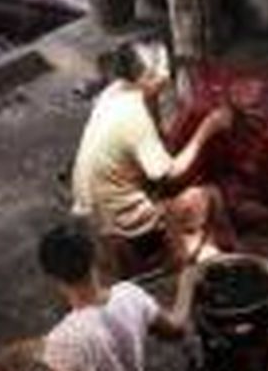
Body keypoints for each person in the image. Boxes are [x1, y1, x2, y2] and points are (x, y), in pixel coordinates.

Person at [6, 223, 197, 371]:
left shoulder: (65, 337)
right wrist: (187, 284)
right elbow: (176, 329)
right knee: (38, 353)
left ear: (52, 278)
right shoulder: (131, 295)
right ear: (95, 256)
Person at [70, 43, 237, 270]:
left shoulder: (115, 91)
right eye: (164, 69)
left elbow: (153, 123)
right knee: (210, 196)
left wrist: (155, 99)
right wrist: (208, 128)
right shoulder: (133, 117)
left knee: (164, 168)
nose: (168, 75)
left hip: (89, 208)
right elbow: (169, 174)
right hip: (118, 220)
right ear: (147, 77)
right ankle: (201, 255)